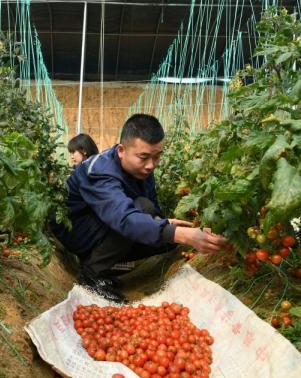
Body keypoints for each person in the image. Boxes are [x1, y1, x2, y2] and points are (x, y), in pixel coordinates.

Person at [50, 114, 229, 303]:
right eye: (143, 157)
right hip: (75, 229)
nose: (151, 165)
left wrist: (167, 225)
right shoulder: (100, 171)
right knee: (147, 214)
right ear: (121, 150)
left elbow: (152, 211)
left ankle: (106, 265)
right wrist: (183, 235)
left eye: (157, 157)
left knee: (165, 235)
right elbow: (124, 218)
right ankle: (91, 274)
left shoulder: (143, 170)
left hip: (104, 224)